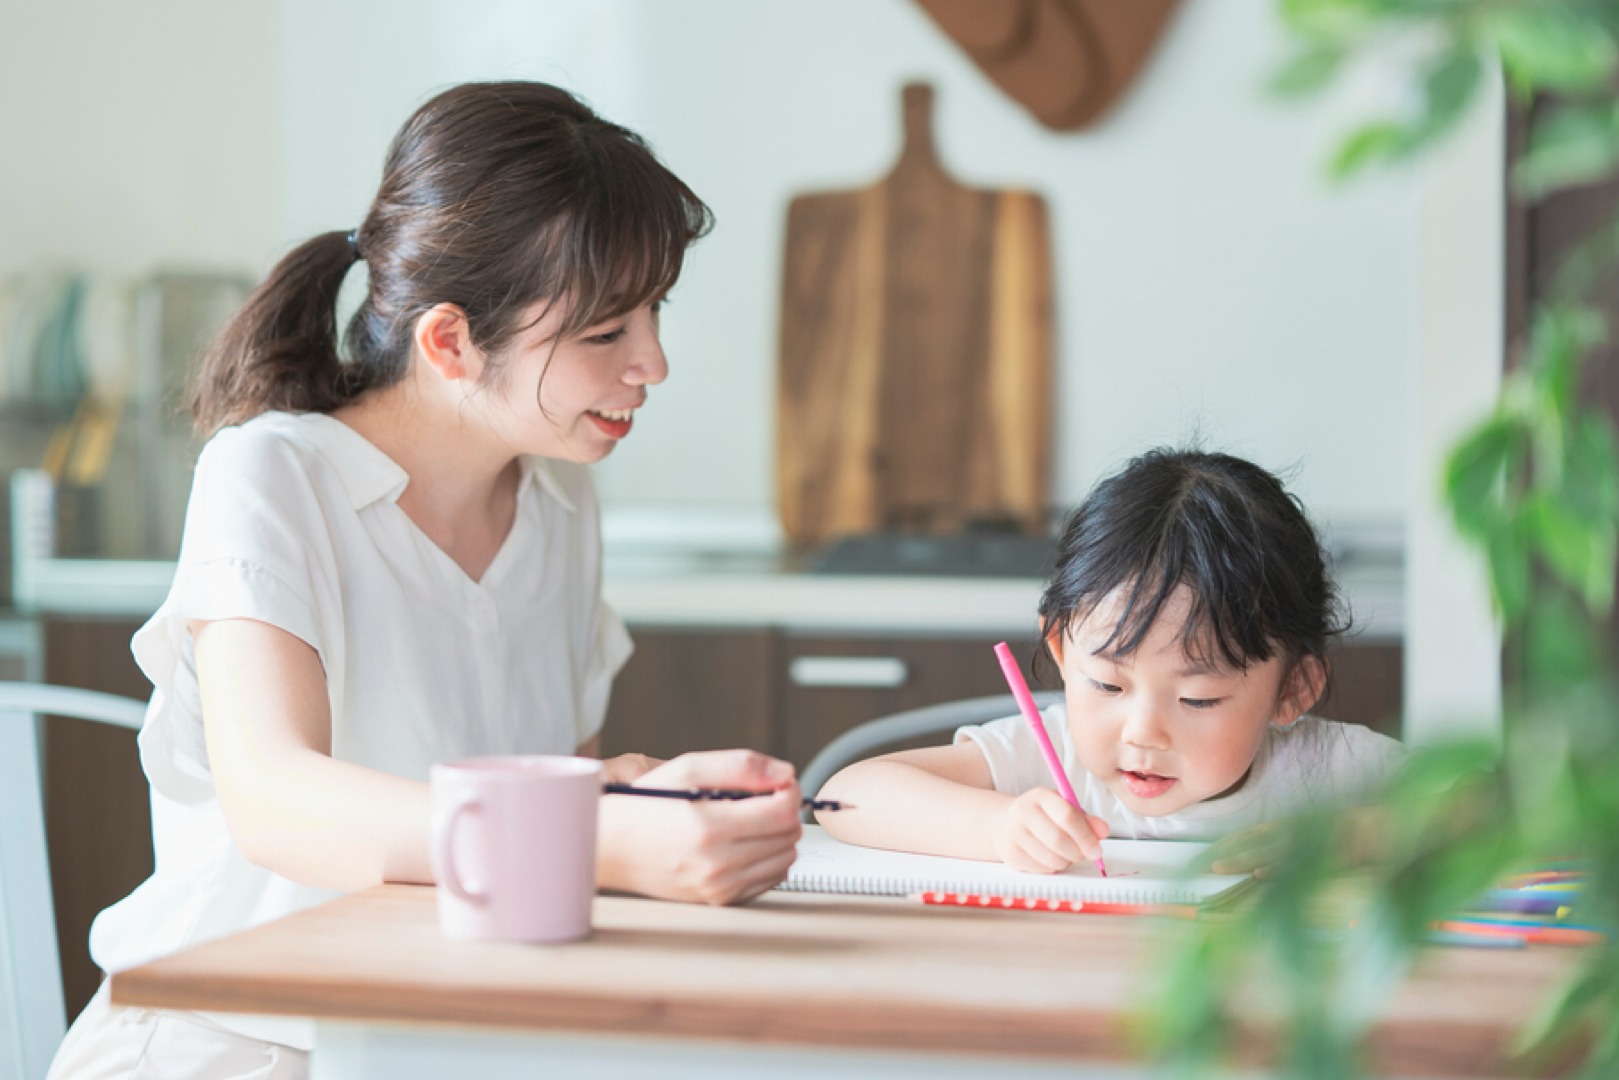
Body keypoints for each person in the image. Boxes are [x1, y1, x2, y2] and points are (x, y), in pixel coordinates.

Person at [48, 81, 802, 1078]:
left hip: (445, 1035)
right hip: (231, 1039)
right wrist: (599, 843)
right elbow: (275, 799)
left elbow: (547, 786)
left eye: (651, 312)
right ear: (449, 341)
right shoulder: (271, 474)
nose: (652, 363)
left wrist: (646, 797)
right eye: (603, 332)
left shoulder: (560, 505)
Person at [816, 448, 1404, 874]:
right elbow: (843, 798)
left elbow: (1490, 814)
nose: (1143, 732)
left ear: (1292, 690)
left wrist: (1349, 836)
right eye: (1105, 685)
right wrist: (996, 826)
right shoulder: (1049, 759)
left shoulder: (1323, 773)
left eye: (1197, 698)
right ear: (1061, 652)